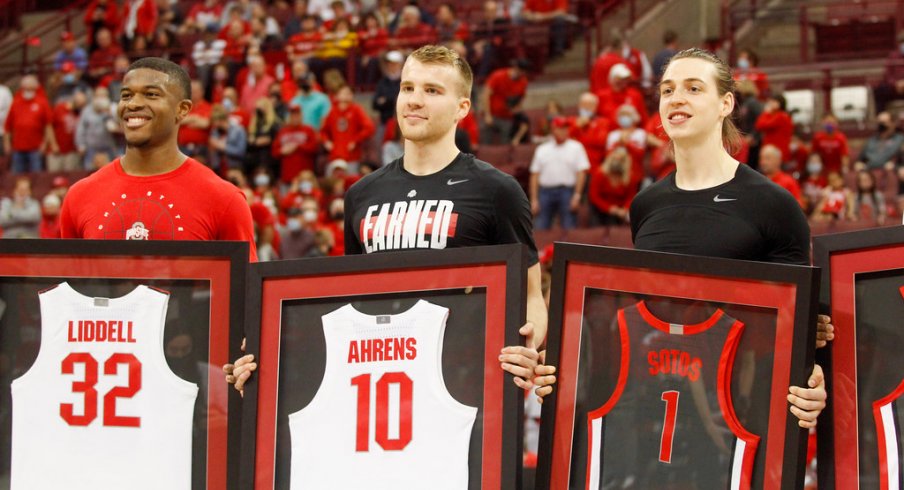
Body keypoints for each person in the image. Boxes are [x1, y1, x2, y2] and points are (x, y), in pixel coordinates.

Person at [535, 48, 830, 429]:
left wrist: (813, 382)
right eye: (667, 90)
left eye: (693, 88)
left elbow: (797, 326)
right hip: (657, 399)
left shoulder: (774, 204)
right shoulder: (646, 204)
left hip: (741, 411)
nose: (676, 98)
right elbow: (645, 317)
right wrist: (563, 370)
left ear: (726, 103)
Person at [228, 44, 547, 396]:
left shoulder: (496, 190)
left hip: (466, 383)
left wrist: (527, 348)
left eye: (432, 91)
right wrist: (268, 354)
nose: (414, 100)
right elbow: (353, 302)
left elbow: (531, 294)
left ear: (462, 108)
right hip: (378, 380)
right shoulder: (361, 194)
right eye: (407, 87)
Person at [60, 57, 257, 261]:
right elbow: (70, 287)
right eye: (126, 95)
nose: (134, 104)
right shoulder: (79, 196)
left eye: (151, 94)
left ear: (182, 110)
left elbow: (243, 290)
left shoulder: (225, 200)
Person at [529, 116, 589, 230]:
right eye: (560, 128)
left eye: (566, 128)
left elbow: (581, 172)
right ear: (553, 129)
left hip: (567, 191)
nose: (564, 131)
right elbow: (534, 174)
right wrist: (534, 199)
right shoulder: (542, 149)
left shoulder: (576, 147)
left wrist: (577, 196)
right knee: (541, 227)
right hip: (545, 192)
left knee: (569, 227)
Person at [4, 75, 57, 174]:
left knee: (36, 175)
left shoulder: (42, 102)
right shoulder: (16, 102)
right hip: (18, 147)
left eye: (30, 88)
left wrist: (45, 144)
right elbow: (7, 126)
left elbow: (48, 126)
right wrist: (7, 143)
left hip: (35, 148)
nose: (28, 91)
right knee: (16, 176)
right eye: (26, 88)